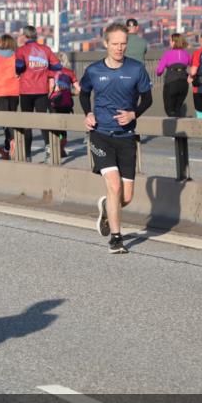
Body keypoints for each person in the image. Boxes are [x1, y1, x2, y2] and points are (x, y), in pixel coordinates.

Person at [80, 23, 153, 254]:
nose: (119, 48)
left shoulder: (136, 69)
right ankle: (116, 238)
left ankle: (106, 207)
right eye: (115, 44)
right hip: (101, 135)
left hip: (127, 137)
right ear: (106, 44)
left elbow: (147, 99)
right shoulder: (93, 70)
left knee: (126, 196)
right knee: (113, 185)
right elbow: (83, 93)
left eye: (123, 44)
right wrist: (88, 113)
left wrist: (134, 114)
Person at [14, 25, 61, 161]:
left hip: (26, 90)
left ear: (25, 36)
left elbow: (19, 66)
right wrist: (46, 71)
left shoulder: (21, 50)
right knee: (43, 120)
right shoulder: (45, 49)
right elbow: (57, 66)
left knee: (27, 122)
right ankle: (48, 148)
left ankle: (27, 154)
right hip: (42, 89)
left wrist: (20, 71)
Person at [46, 52, 80, 160]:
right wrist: (70, 93)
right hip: (66, 104)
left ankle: (56, 148)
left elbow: (51, 88)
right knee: (63, 127)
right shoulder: (70, 72)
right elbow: (79, 90)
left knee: (55, 126)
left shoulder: (51, 72)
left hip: (53, 103)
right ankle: (62, 146)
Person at [156, 33, 191, 118]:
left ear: (174, 42)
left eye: (170, 41)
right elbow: (194, 67)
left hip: (171, 82)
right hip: (183, 83)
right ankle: (178, 127)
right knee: (178, 109)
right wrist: (190, 76)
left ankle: (172, 130)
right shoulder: (186, 54)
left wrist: (159, 73)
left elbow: (159, 71)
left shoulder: (167, 54)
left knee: (169, 110)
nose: (169, 42)